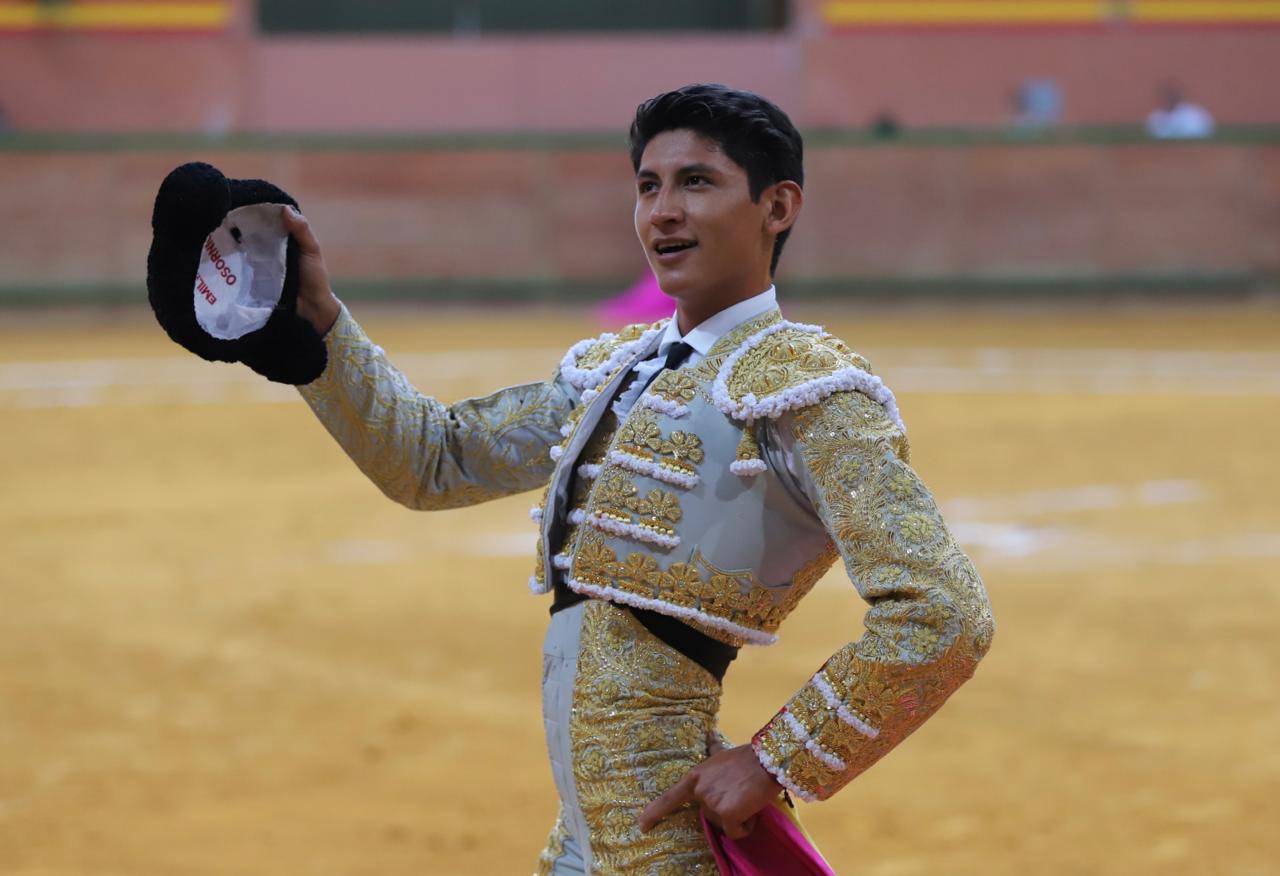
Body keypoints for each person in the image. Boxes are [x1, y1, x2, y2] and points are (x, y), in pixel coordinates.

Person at [281, 83, 995, 875]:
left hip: (667, 843)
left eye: (697, 182)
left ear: (778, 206)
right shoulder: (615, 368)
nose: (662, 211)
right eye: (648, 186)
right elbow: (433, 462)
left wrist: (776, 760)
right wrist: (320, 324)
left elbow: (945, 614)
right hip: (578, 845)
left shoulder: (808, 390)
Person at [1146, 81, 1216, 139]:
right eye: (1169, 94)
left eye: (1174, 94)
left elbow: (1203, 133)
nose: (1171, 97)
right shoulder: (1155, 117)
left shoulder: (1195, 114)